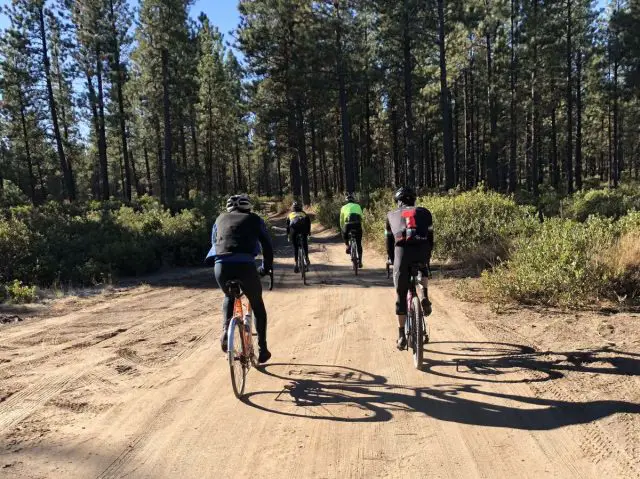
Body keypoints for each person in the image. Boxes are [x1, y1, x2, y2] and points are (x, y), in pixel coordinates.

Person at [205, 194, 274, 363]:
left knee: (229, 296)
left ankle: (225, 331)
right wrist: (266, 268)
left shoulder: (219, 219)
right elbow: (267, 245)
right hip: (245, 266)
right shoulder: (255, 219)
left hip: (221, 266)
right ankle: (262, 349)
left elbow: (214, 242)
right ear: (248, 207)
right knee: (257, 305)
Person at [385, 187, 434, 350]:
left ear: (398, 201)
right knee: (423, 266)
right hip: (422, 251)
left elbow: (389, 244)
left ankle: (401, 336)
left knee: (401, 295)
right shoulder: (425, 212)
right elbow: (430, 239)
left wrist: (393, 261)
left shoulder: (391, 215)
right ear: (413, 200)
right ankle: (424, 295)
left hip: (402, 254)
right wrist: (427, 258)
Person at [286, 201, 311, 273]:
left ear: (293, 208)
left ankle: (296, 264)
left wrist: (288, 235)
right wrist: (308, 232)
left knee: (295, 247)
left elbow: (287, 227)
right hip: (303, 230)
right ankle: (306, 258)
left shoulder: (290, 215)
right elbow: (308, 223)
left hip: (294, 232)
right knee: (305, 243)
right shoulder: (304, 214)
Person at [340, 193, 364, 267]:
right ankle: (360, 261)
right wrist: (361, 226)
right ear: (353, 200)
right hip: (357, 224)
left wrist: (342, 227)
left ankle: (347, 246)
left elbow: (341, 220)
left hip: (348, 225)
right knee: (359, 243)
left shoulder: (343, 207)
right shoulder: (358, 206)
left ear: (346, 201)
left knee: (344, 233)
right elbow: (362, 218)